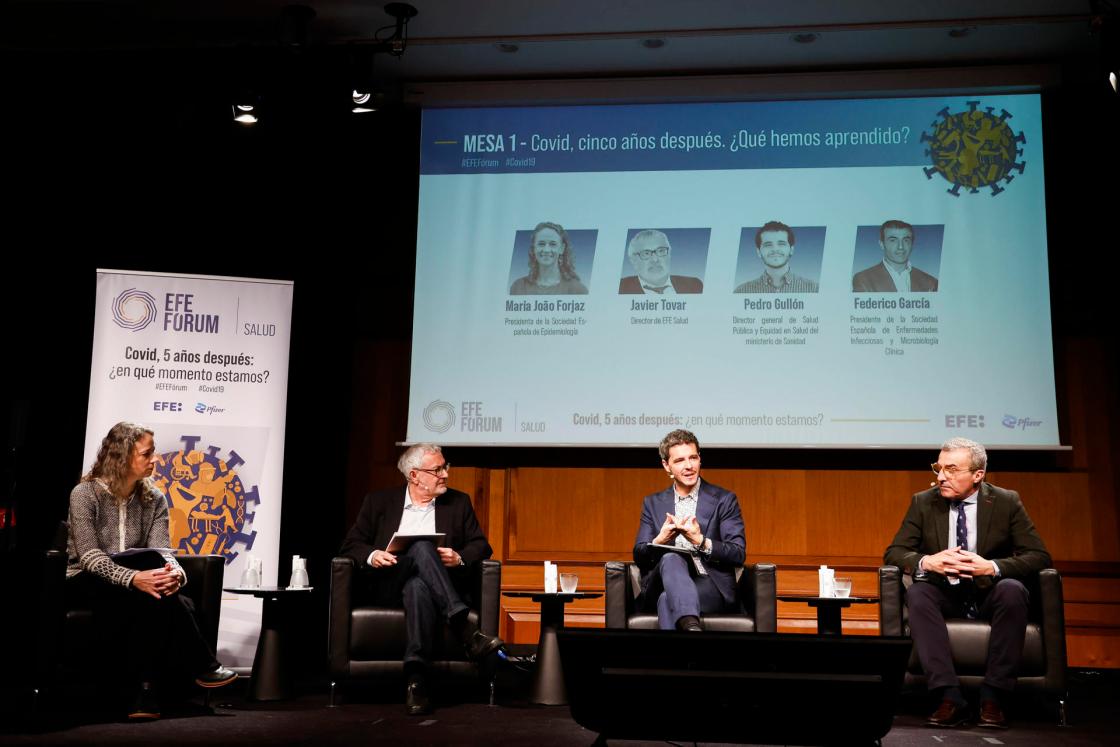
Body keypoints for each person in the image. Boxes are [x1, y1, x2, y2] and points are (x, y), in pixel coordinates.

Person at [66, 422, 237, 720]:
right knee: (166, 591)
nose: (155, 460)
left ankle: (144, 696)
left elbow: (163, 554)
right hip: (86, 580)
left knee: (156, 587)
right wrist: (134, 577)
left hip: (137, 587)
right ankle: (204, 665)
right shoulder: (84, 494)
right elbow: (90, 557)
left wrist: (175, 576)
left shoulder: (154, 498)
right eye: (147, 454)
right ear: (121, 457)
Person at [884, 437, 1051, 729]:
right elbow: (895, 552)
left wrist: (992, 567)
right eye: (938, 468)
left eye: (951, 469)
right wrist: (927, 561)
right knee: (920, 593)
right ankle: (949, 697)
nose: (940, 477)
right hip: (944, 591)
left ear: (978, 475)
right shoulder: (923, 502)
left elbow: (1038, 556)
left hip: (989, 593)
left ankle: (993, 698)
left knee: (1012, 590)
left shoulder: (1005, 501)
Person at [339, 443, 503, 716]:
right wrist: (373, 555)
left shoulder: (458, 502)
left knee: (418, 585)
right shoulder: (379, 502)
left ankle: (416, 680)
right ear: (414, 475)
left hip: (432, 588)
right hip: (389, 584)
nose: (445, 475)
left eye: (445, 467)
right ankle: (464, 628)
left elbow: (481, 546)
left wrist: (459, 557)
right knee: (421, 548)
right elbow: (351, 545)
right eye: (437, 469)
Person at [631, 430, 745, 630]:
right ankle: (693, 634)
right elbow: (639, 555)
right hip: (661, 582)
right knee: (671, 558)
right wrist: (660, 541)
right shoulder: (653, 503)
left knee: (669, 600)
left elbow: (737, 553)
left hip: (707, 584)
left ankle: (689, 634)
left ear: (700, 459)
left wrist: (700, 541)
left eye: (693, 457)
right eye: (680, 460)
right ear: (667, 466)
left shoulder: (724, 500)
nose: (689, 466)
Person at [852, 219, 939, 292]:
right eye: (893, 240)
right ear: (882, 244)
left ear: (912, 244)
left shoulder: (931, 283)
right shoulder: (863, 280)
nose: (900, 247)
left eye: (906, 240)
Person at [734, 221, 820, 293]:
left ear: (791, 250)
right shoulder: (741, 291)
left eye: (781, 244)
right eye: (768, 245)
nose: (775, 249)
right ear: (758, 252)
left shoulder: (813, 289)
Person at [509, 222, 589, 295]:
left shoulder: (578, 290)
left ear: (562, 248)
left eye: (553, 244)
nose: (546, 250)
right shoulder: (518, 287)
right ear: (534, 248)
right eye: (541, 244)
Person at [618, 229, 704, 294]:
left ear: (669, 254)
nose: (655, 259)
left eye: (661, 251)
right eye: (646, 253)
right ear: (633, 261)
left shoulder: (694, 285)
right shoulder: (620, 288)